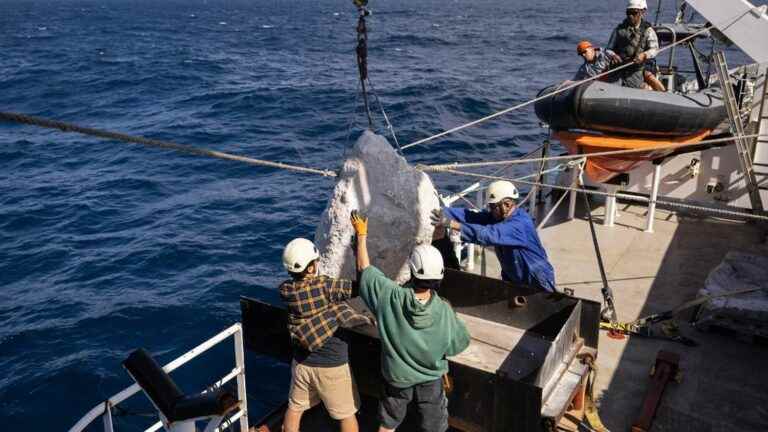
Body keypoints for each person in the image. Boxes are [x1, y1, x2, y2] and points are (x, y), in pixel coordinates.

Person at [350, 211, 471, 432]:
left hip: (397, 378)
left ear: (412, 272)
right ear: (440, 276)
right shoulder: (444, 310)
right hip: (432, 379)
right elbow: (459, 343)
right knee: (434, 425)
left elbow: (365, 271)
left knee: (388, 424)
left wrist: (361, 236)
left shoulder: (390, 296)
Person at [279, 238, 373, 432]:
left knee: (295, 409)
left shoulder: (286, 291)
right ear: (311, 268)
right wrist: (358, 251)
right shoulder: (324, 286)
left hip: (302, 364)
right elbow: (360, 287)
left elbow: (313, 302)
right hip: (332, 367)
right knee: (347, 416)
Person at [431, 180, 556, 293]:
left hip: (536, 277)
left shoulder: (519, 224)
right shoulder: (499, 217)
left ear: (506, 205)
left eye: (492, 206)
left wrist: (451, 223)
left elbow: (487, 234)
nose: (490, 210)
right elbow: (471, 216)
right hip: (513, 275)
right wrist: (443, 212)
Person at [607, 0, 665, 91]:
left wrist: (644, 55)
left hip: (637, 69)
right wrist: (613, 55)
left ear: (642, 12)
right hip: (619, 68)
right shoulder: (618, 30)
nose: (630, 16)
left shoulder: (648, 31)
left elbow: (654, 49)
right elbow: (608, 49)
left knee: (637, 86)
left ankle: (660, 92)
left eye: (634, 13)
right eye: (628, 13)